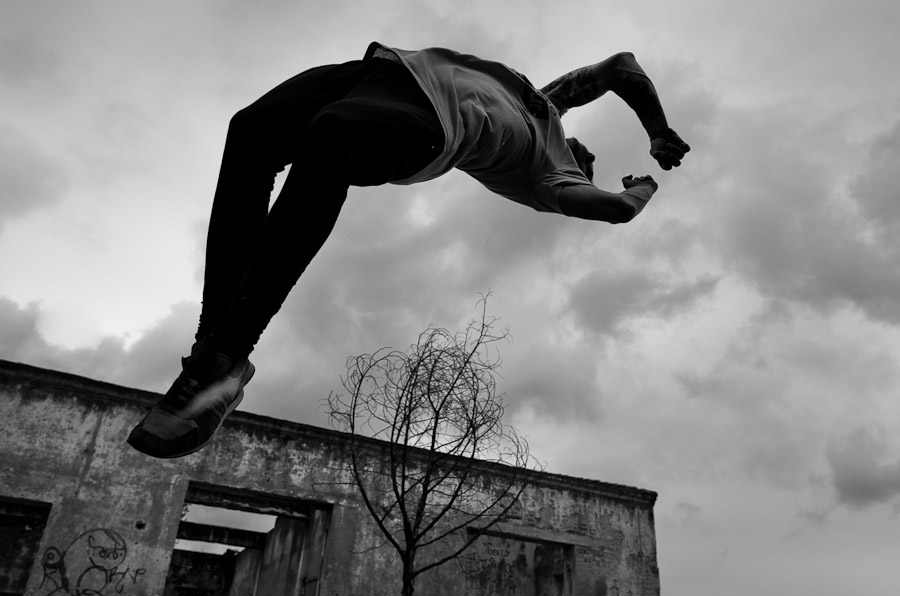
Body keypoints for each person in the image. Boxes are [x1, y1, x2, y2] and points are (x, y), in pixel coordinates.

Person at [128, 42, 690, 458]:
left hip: (425, 125)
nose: (583, 154)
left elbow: (615, 209)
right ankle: (210, 352)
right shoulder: (546, 104)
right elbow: (621, 68)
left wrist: (642, 185)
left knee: (332, 135)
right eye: (582, 152)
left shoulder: (549, 176)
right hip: (383, 72)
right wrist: (657, 127)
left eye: (587, 163)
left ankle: (227, 353)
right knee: (251, 131)